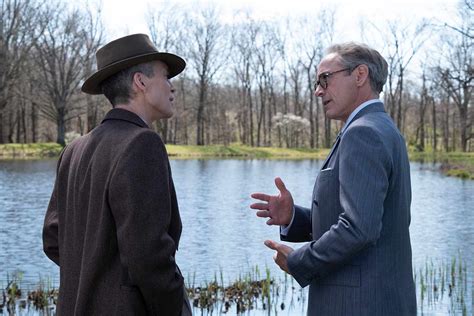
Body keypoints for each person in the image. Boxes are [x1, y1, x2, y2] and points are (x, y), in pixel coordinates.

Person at [250, 42, 416, 315]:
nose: (318, 91)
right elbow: (369, 220)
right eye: (317, 82)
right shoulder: (383, 129)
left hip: (358, 306)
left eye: (325, 79)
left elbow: (358, 229)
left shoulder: (363, 133)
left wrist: (299, 261)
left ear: (360, 75)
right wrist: (295, 217)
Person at [43, 33, 192, 315]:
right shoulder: (142, 143)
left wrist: (95, 280)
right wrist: (175, 307)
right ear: (140, 82)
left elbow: (53, 238)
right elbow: (148, 255)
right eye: (165, 76)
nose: (172, 88)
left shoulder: (74, 150)